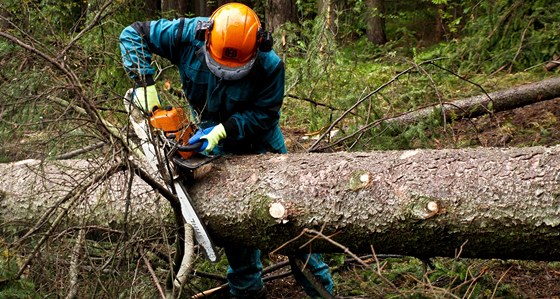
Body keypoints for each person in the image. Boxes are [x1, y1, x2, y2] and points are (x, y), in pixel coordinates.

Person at [119, 3, 334, 298]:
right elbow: (133, 34)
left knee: (295, 230)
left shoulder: (270, 65)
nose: (225, 74)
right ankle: (247, 292)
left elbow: (265, 115)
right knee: (238, 236)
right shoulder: (186, 34)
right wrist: (144, 84)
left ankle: (322, 290)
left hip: (262, 145)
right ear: (206, 38)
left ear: (257, 47)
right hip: (212, 149)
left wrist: (224, 130)